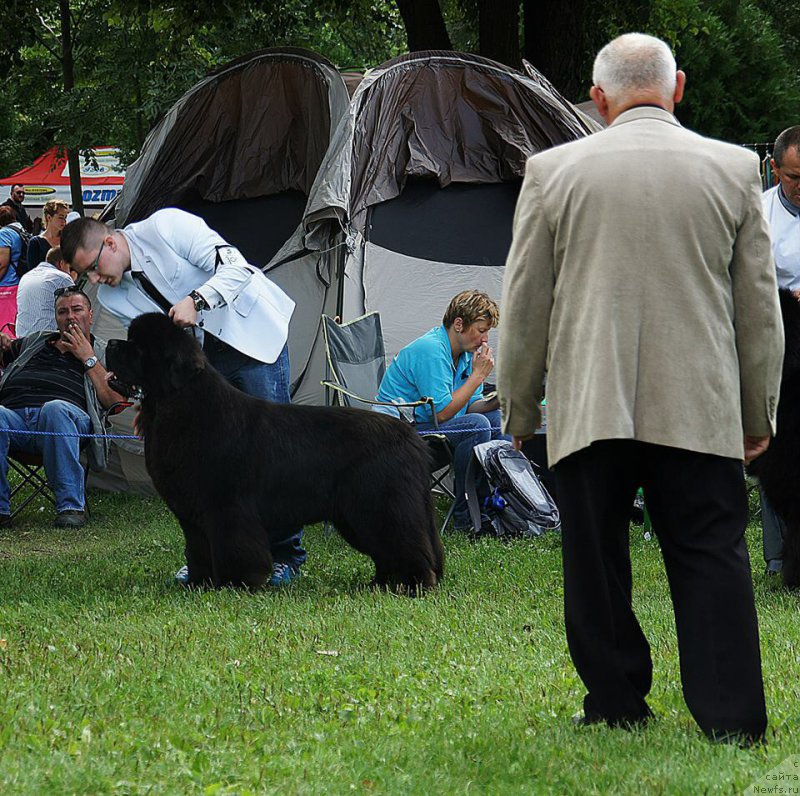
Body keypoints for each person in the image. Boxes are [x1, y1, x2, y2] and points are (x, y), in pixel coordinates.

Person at [497, 33, 783, 744]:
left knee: (595, 561)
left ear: (597, 100)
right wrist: (759, 410)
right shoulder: (735, 168)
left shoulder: (550, 171)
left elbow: (525, 301)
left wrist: (519, 405)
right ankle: (733, 719)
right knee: (712, 553)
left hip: (592, 405)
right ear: (678, 85)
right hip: (701, 404)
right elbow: (758, 309)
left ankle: (616, 701)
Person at [60, 208, 305, 585]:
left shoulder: (165, 226)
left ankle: (285, 556)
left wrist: (197, 299)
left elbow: (237, 266)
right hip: (202, 367)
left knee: (270, 453)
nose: (94, 279)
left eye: (93, 267)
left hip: (254, 341)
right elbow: (154, 356)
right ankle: (210, 556)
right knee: (211, 464)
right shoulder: (113, 298)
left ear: (109, 242)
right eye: (85, 275)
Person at [376, 289, 504, 534]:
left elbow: (471, 405)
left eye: (487, 331)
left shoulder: (464, 356)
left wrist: (503, 397)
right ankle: (465, 514)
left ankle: (492, 506)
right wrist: (478, 377)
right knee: (476, 425)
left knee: (495, 419)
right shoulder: (431, 350)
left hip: (428, 431)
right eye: (481, 329)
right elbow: (443, 413)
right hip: (398, 441)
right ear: (459, 324)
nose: (485, 339)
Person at [0, 286, 125, 528]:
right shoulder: (36, 342)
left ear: (90, 315)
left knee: (54, 409)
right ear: (56, 317)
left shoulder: (103, 351)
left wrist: (87, 357)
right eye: (62, 312)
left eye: (77, 310)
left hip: (65, 421)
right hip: (14, 420)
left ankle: (70, 507)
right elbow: (5, 354)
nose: (70, 317)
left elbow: (115, 402)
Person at [16, 245, 74, 337]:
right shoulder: (62, 277)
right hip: (46, 340)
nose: (70, 272)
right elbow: (75, 308)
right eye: (70, 267)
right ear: (62, 263)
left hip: (21, 338)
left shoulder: (26, 276)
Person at [25, 199, 69, 278]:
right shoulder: (36, 242)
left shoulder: (68, 240)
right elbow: (32, 271)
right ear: (49, 217)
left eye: (65, 217)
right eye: (61, 217)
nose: (64, 221)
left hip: (66, 285)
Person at [0, 206, 23, 336]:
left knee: (5, 327)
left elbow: (2, 264)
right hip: (17, 283)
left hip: (5, 286)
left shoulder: (4, 233)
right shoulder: (20, 229)